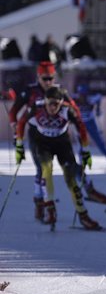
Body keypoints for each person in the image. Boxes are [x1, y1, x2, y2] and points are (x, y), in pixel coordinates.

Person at [15, 85, 102, 230]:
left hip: (62, 145)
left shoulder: (68, 110)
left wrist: (85, 151)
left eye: (57, 103)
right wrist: (19, 146)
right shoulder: (37, 108)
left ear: (62, 102)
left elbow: (81, 128)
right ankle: (50, 210)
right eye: (50, 103)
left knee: (71, 180)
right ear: (45, 101)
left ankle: (83, 216)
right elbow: (21, 123)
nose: (53, 107)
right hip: (42, 144)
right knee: (46, 171)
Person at [8, 62, 81, 222]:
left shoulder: (60, 92)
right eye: (44, 78)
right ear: (38, 77)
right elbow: (14, 112)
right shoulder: (30, 91)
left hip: (58, 136)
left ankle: (78, 193)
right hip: (37, 135)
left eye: (51, 78)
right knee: (42, 169)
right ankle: (40, 202)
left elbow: (74, 109)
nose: (48, 82)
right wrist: (15, 129)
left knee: (68, 167)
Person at [70, 82, 106, 181]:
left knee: (101, 146)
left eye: (84, 95)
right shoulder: (74, 99)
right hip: (80, 125)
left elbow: (99, 97)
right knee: (82, 147)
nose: (82, 97)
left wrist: (98, 108)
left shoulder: (91, 99)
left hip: (90, 123)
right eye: (81, 95)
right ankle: (81, 169)